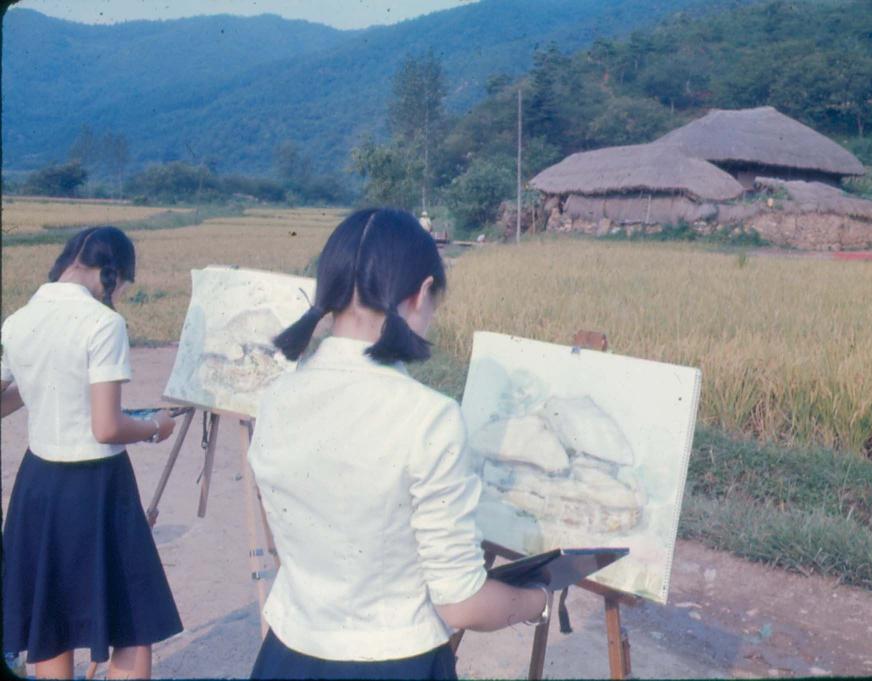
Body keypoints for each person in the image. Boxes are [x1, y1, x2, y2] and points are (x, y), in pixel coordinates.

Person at [248, 208, 549, 680]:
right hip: (391, 665)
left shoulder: (276, 396)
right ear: (422, 293)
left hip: (288, 655)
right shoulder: (427, 417)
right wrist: (538, 598)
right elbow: (462, 605)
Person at [1, 226, 183, 680]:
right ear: (111, 274)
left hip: (38, 483)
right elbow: (106, 428)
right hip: (98, 484)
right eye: (122, 284)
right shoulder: (104, 324)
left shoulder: (18, 319)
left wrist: (39, 384)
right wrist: (155, 427)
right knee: (131, 622)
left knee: (50, 623)